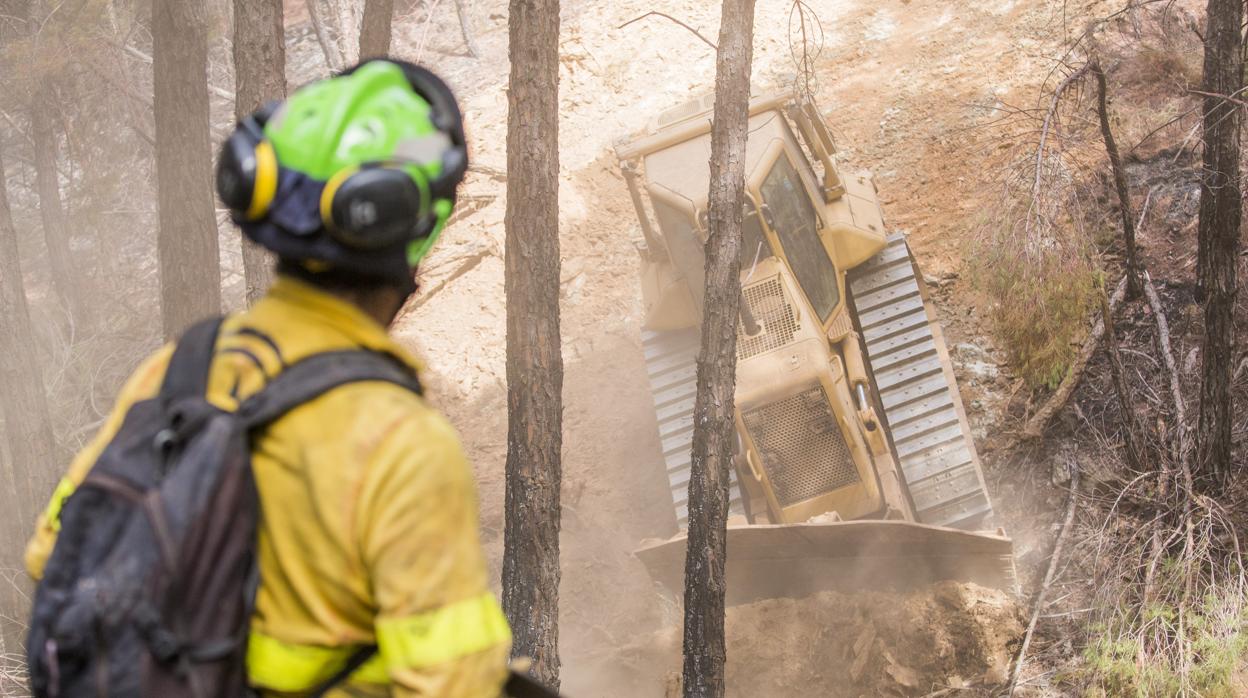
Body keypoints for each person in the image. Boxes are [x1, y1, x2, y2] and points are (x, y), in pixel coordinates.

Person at [24, 58, 512, 697]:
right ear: (418, 224)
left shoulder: (179, 370)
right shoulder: (400, 443)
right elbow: (452, 683)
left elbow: (51, 554)